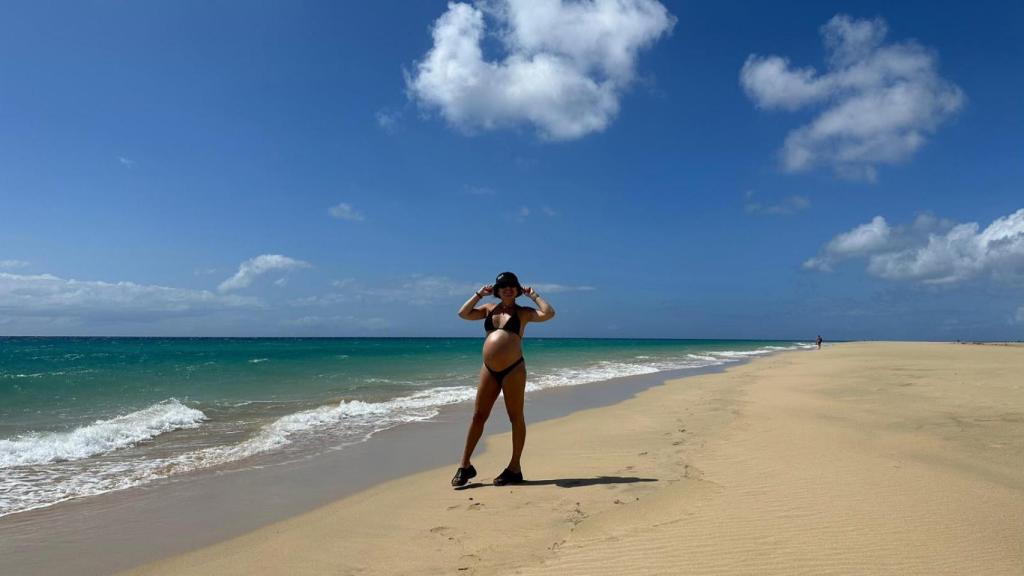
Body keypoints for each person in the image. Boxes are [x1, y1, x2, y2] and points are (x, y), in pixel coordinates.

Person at [451, 272, 555, 487]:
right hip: (489, 369)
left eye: (512, 286)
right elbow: (463, 313)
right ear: (497, 290)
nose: (508, 289)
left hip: (513, 369)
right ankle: (465, 466)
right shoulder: (489, 309)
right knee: (478, 416)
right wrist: (479, 294)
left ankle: (514, 467)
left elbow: (549, 313)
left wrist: (534, 295)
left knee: (515, 416)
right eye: (503, 286)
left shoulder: (523, 312)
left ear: (518, 290)